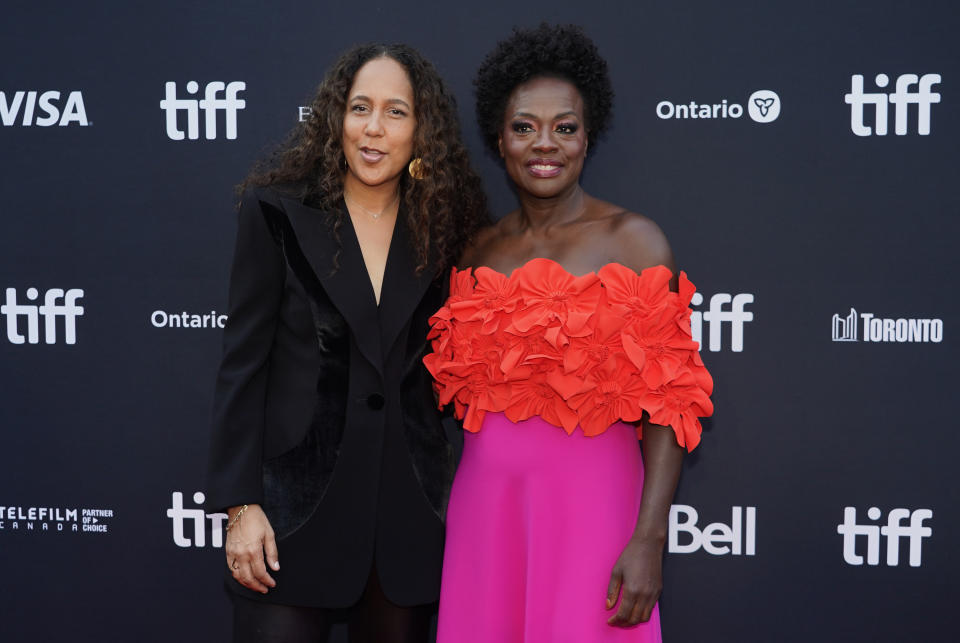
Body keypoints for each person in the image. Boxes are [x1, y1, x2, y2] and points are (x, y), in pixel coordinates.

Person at [423, 24, 713, 642]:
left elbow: (670, 406)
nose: (544, 144)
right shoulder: (474, 252)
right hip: (486, 511)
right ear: (499, 140)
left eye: (565, 126)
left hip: (596, 509)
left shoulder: (635, 241)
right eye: (524, 126)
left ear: (587, 137)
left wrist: (650, 538)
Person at [206, 42, 488, 643]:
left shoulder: (445, 227)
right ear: (335, 116)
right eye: (360, 107)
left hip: (404, 523)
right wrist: (240, 505)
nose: (373, 129)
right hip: (290, 516)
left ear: (422, 130)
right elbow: (242, 367)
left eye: (395, 112)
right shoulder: (277, 213)